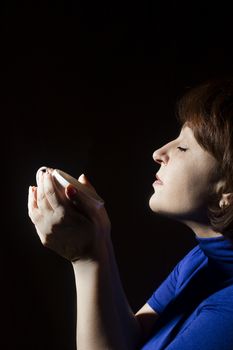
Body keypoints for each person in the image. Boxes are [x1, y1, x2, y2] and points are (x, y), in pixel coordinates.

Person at [28, 77, 233, 350]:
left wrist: (86, 257)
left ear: (227, 192)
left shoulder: (227, 318)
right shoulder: (204, 259)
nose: (158, 153)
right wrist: (97, 238)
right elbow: (127, 340)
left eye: (183, 147)